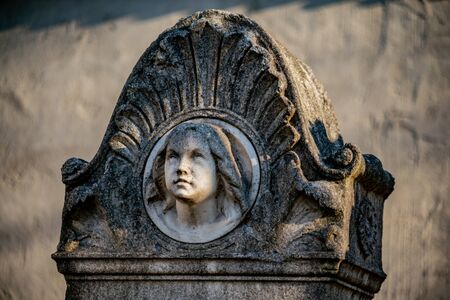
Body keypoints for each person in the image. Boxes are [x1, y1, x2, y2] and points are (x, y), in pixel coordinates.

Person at [146, 122, 247, 242]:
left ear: (219, 172)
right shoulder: (159, 221)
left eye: (196, 156)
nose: (181, 168)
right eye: (173, 156)